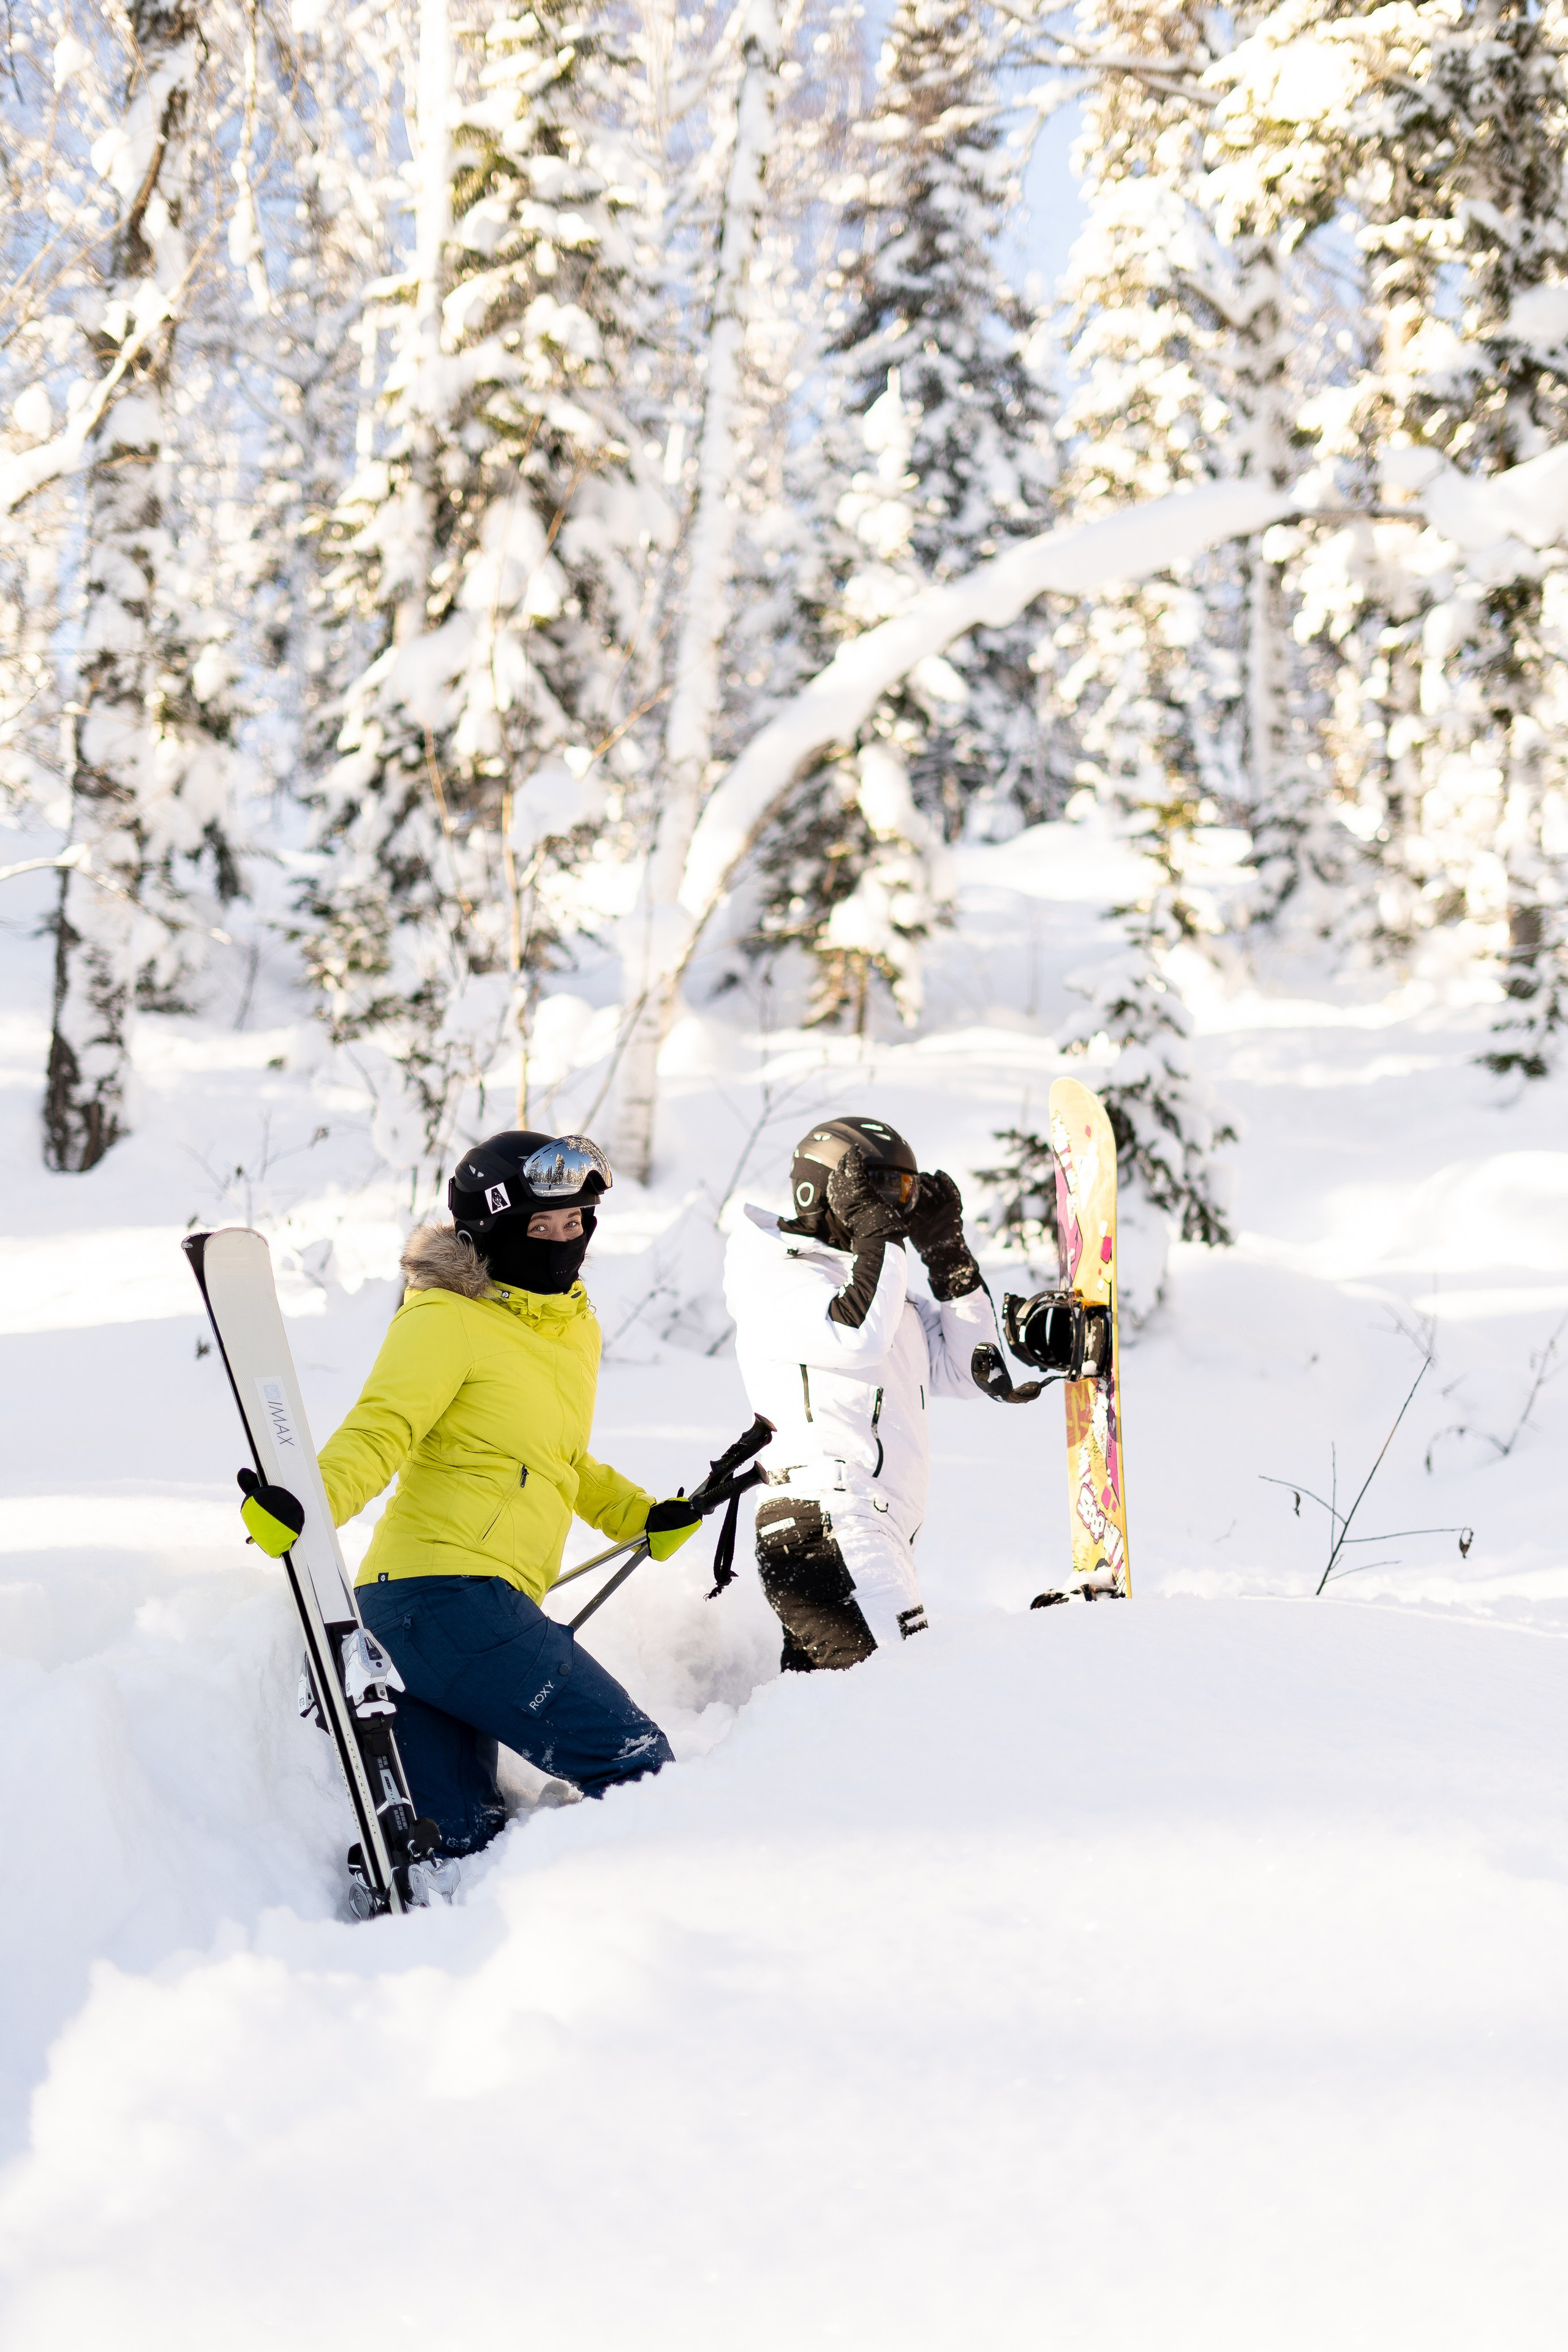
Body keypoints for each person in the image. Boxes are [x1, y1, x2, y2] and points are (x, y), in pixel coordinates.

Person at [238, 1131, 703, 1856]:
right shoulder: (445, 1317)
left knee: (460, 1846)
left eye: (575, 1222)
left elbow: (558, 1460)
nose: (562, 1239)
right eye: (541, 1225)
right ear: (490, 1228)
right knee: (638, 1765)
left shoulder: (571, 1331)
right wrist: (308, 1505)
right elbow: (380, 1429)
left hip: (442, 1623)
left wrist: (638, 1515)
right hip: (450, 1599)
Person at [722, 1115, 990, 1671]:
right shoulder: (777, 1272)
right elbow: (856, 1334)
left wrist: (947, 1255)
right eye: (872, 1189)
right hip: (827, 1520)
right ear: (821, 1189)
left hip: (867, 1530)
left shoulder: (876, 1282)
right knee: (903, 1694)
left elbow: (968, 1372)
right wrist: (881, 1237)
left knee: (839, 1724)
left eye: (903, 1193)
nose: (890, 1208)